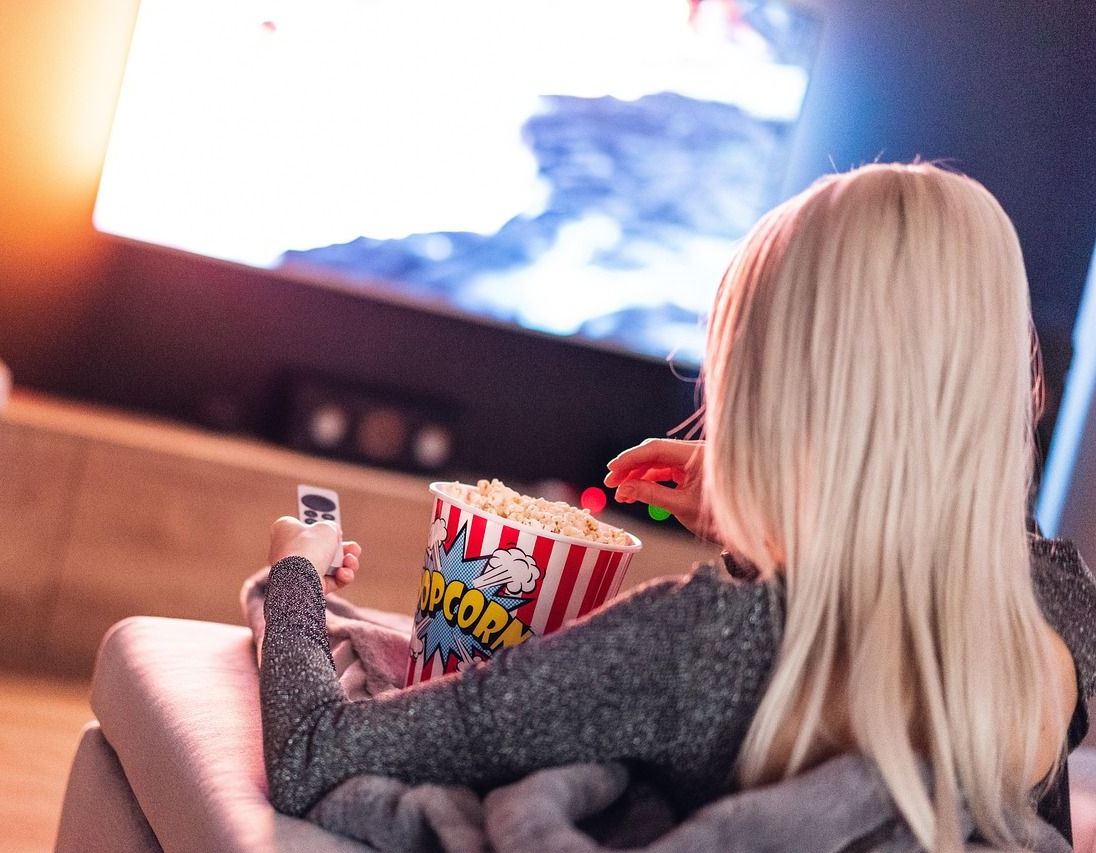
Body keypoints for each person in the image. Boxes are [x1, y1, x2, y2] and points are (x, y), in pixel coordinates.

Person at [258, 162, 1096, 851]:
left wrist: (297, 565)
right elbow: (960, 541)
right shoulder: (1058, 615)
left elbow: (313, 754)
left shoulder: (702, 643)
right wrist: (768, 506)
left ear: (767, 388)